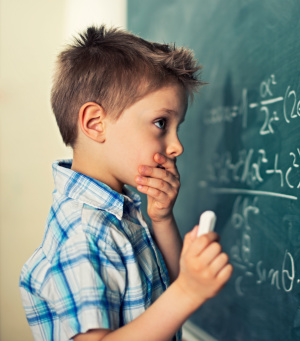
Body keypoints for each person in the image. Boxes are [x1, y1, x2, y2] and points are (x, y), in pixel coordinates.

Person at [19, 25, 232, 341]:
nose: (177, 146)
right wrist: (189, 290)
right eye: (161, 123)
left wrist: (161, 219)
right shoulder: (84, 233)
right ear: (95, 123)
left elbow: (165, 287)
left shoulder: (118, 211)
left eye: (177, 127)